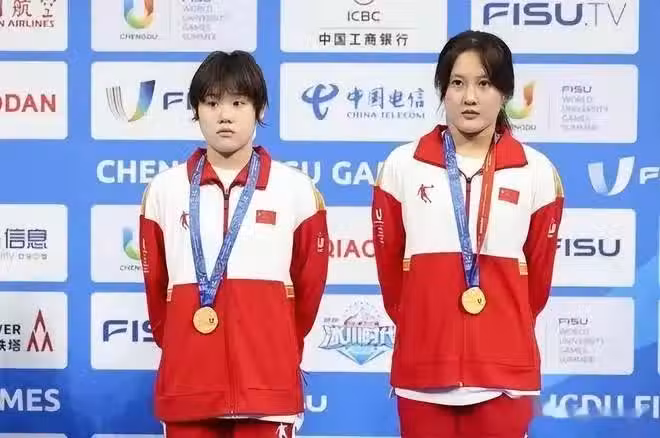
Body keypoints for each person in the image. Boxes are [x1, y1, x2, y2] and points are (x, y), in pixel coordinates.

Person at [372, 30, 564, 438]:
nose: (470, 97)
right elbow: (391, 276)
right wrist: (424, 325)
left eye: (484, 83)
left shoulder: (536, 172)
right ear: (442, 90)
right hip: (423, 372)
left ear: (505, 92)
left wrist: (502, 328)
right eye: (457, 83)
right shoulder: (401, 166)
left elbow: (537, 283)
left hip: (504, 376)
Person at [139, 50, 329, 438]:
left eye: (238, 103)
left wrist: (275, 344)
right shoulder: (164, 190)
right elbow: (156, 291)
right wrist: (183, 347)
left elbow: (309, 288)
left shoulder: (295, 190)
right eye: (212, 103)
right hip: (188, 388)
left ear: (260, 110)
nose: (224, 115)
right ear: (195, 110)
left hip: (268, 390)